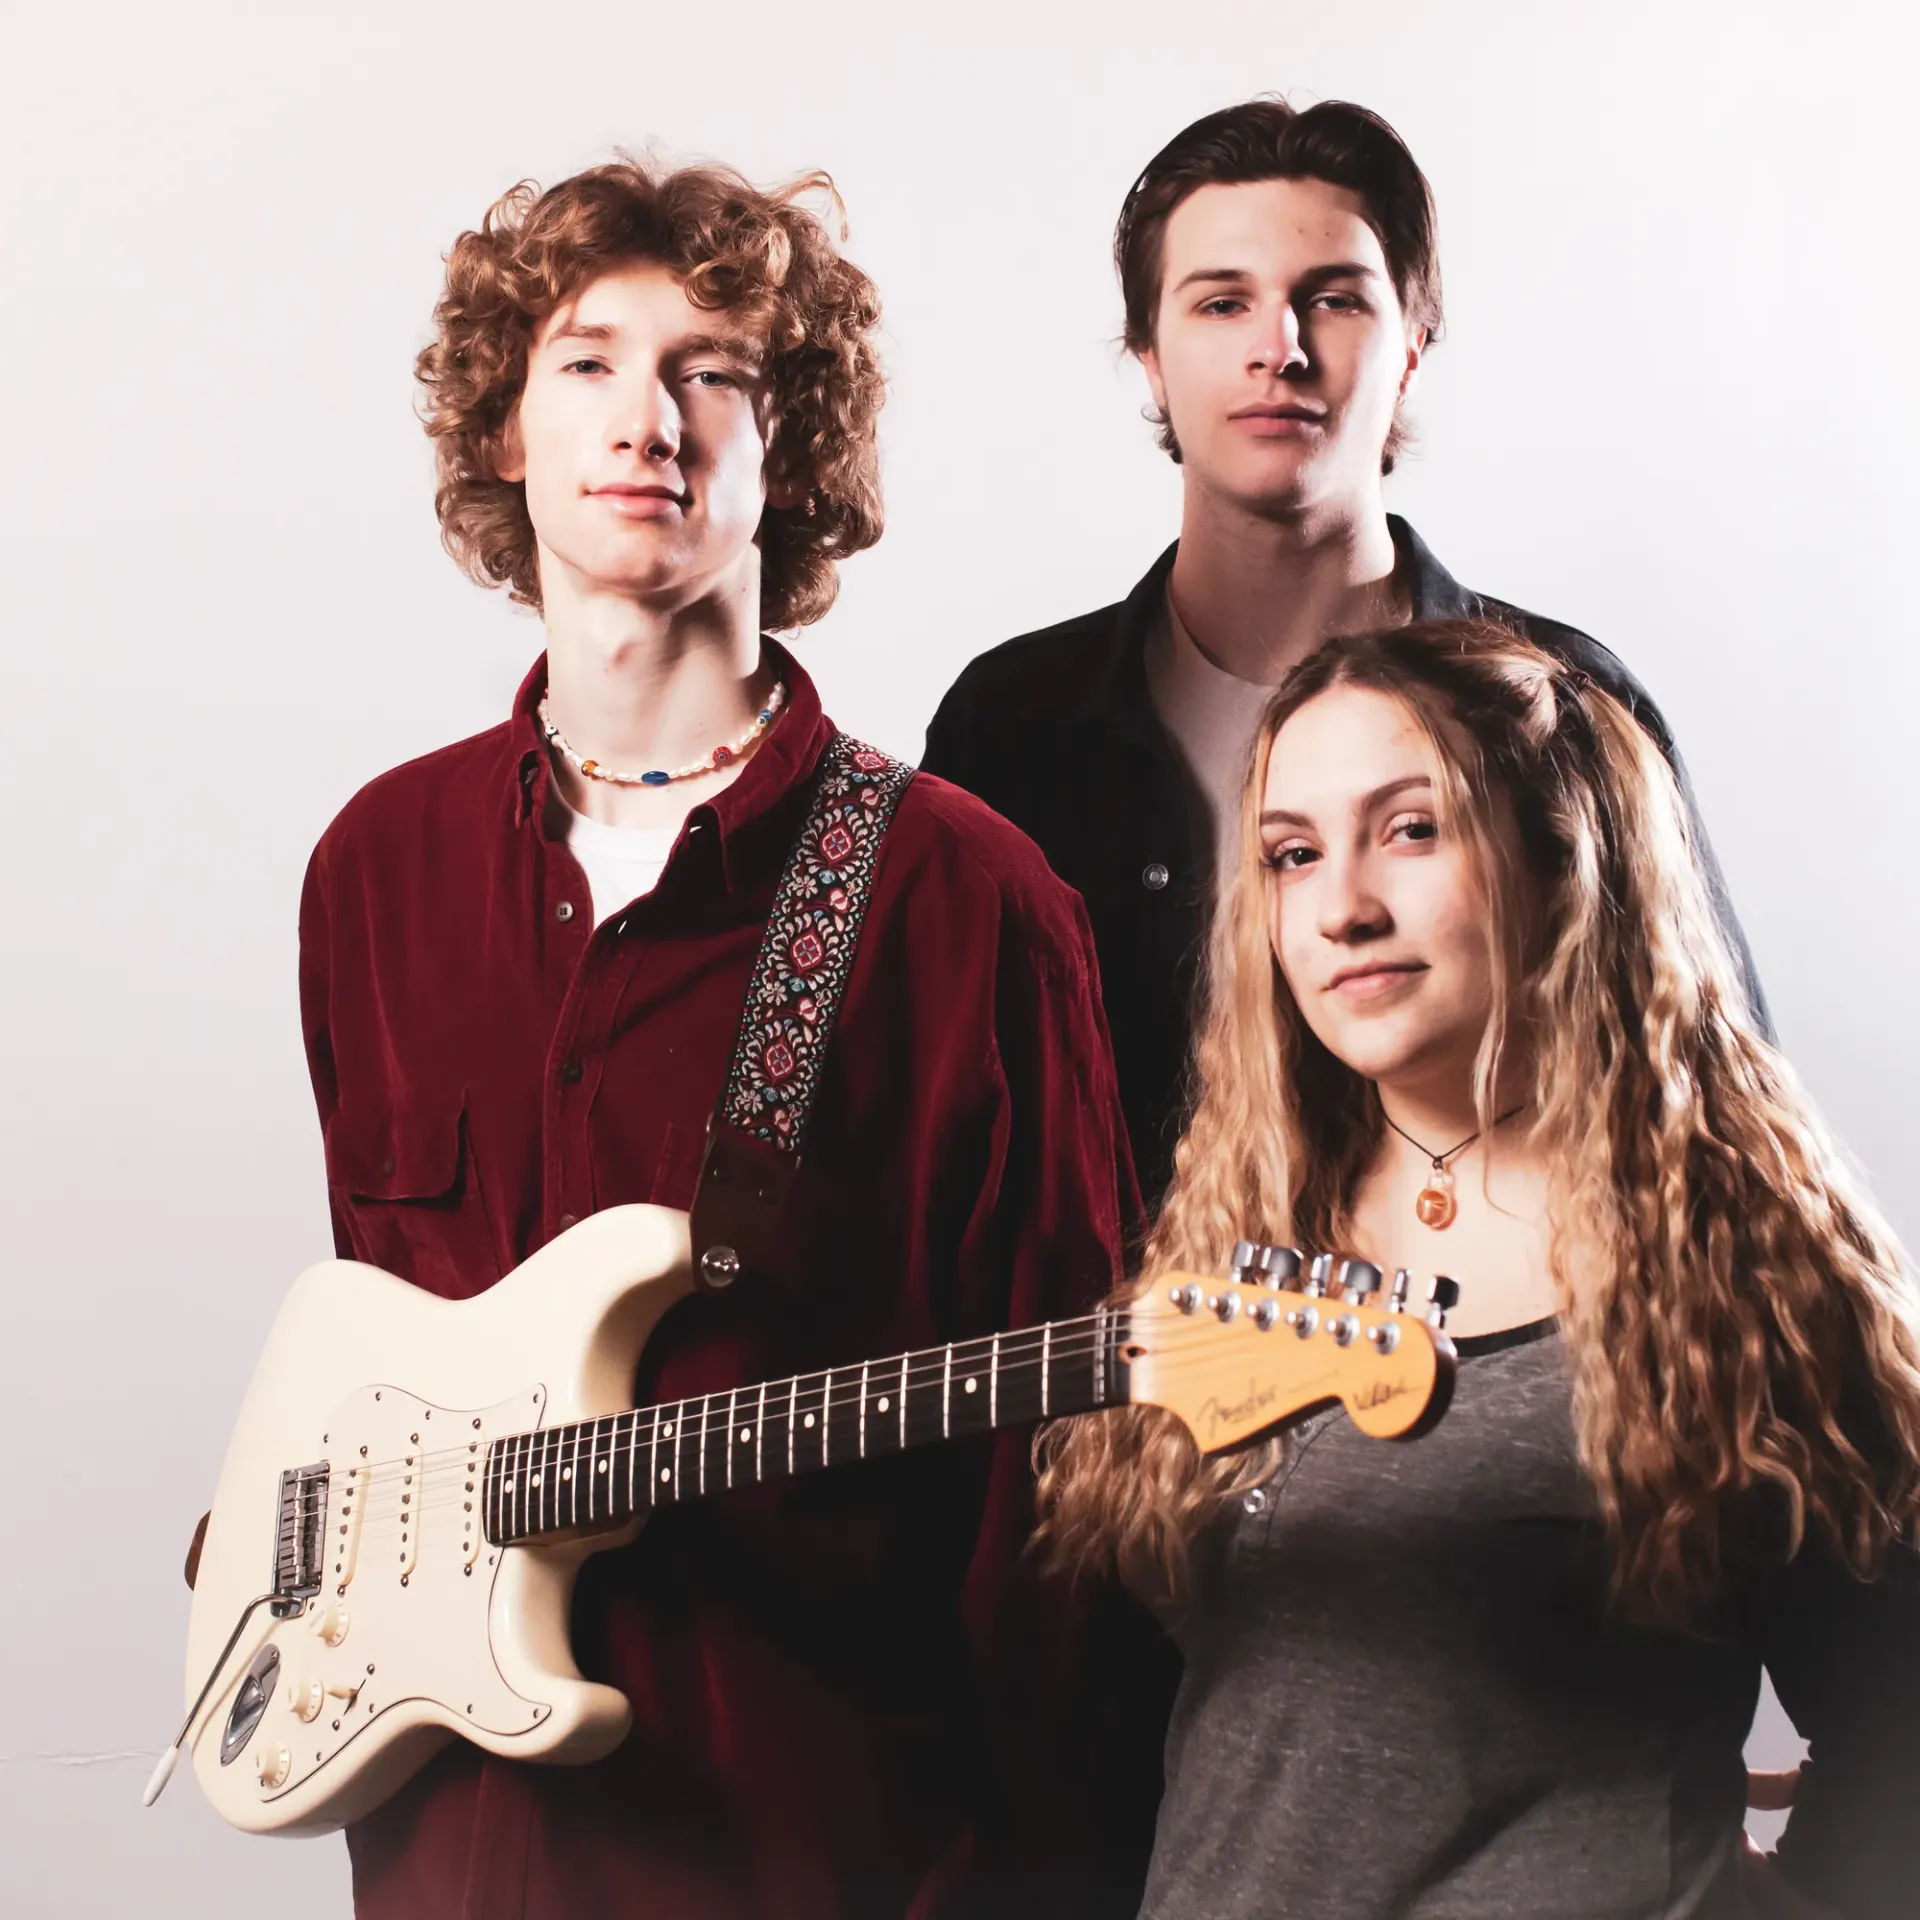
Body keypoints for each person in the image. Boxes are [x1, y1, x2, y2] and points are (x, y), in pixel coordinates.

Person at [298, 155, 1147, 1920]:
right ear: (508, 431)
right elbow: (369, 1354)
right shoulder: (373, 872)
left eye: (716, 370)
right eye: (588, 360)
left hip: (826, 1850)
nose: (648, 418)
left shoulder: (959, 897)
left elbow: (1061, 1497)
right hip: (451, 1854)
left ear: (794, 448)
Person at [1034, 618, 1920, 1920]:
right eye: (1292, 855)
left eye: (1411, 829)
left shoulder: (1753, 1271)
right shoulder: (1241, 1232)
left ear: (1561, 854)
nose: (1342, 908)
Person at [922, 97, 1767, 1206]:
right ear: (1148, 359)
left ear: (1410, 347)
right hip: (1119, 1369)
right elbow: (933, 1153)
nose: (1280, 349)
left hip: (1509, 1359)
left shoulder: (1566, 703)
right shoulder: (1013, 727)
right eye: (1223, 303)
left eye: (1332, 299)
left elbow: (1711, 1105)